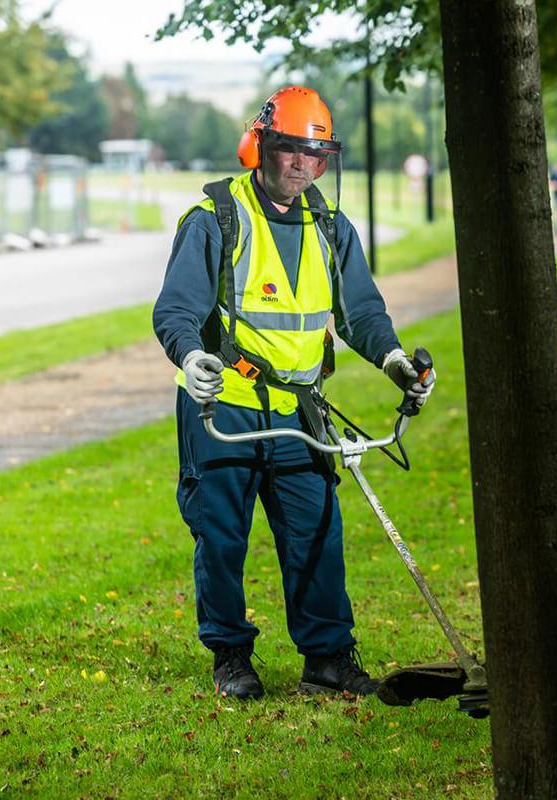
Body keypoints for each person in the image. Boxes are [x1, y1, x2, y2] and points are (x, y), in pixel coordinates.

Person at [152, 86, 435, 700]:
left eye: (316, 155)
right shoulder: (216, 220)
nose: (302, 166)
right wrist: (192, 355)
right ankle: (231, 656)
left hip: (300, 412)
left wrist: (392, 362)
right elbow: (175, 309)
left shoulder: (330, 226)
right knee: (221, 536)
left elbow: (360, 311)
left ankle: (327, 660)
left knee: (316, 534)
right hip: (221, 404)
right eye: (289, 151)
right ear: (261, 147)